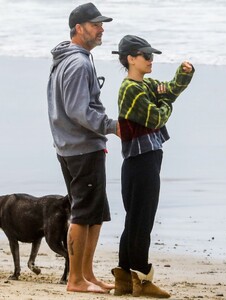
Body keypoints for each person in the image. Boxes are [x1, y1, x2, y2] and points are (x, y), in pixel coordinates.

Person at [111, 35, 195, 298]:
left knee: (135, 220)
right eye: (146, 56)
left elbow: (169, 89)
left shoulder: (145, 85)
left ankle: (124, 279)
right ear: (130, 59)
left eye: (151, 56)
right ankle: (142, 280)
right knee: (141, 222)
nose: (151, 60)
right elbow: (155, 117)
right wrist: (165, 103)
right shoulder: (130, 89)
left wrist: (183, 75)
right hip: (140, 162)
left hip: (143, 161)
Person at [47, 2, 119, 294]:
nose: (102, 29)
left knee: (95, 212)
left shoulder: (73, 57)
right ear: (79, 28)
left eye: (102, 24)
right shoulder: (77, 62)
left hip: (74, 145)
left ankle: (86, 274)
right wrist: (112, 126)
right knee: (82, 212)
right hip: (80, 147)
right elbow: (78, 110)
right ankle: (75, 280)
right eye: (96, 24)